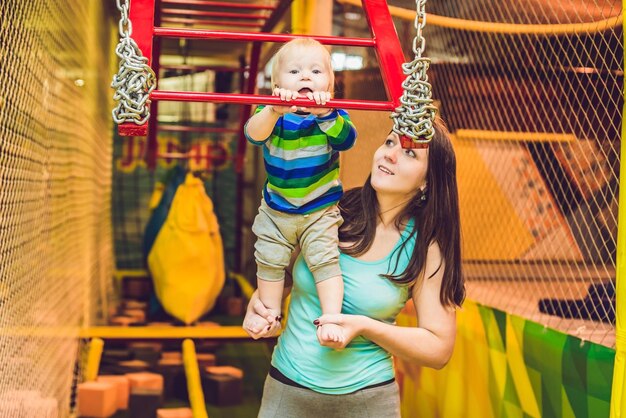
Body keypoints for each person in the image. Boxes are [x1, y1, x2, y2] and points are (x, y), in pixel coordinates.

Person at [243, 118, 465, 418]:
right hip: (288, 388)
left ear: (428, 180)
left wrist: (363, 326)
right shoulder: (331, 208)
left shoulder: (426, 246)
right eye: (389, 142)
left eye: (410, 153)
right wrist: (263, 306)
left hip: (368, 400)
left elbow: (438, 349)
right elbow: (284, 276)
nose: (390, 154)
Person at [245, 38, 358, 345]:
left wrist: (325, 115)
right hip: (276, 208)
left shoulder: (332, 115)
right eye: (294, 71)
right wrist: (273, 111)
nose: (306, 77)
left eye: (316, 71)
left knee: (325, 260)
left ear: (329, 86)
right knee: (269, 258)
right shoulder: (272, 116)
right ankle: (269, 314)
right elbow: (253, 135)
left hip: (320, 209)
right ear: (277, 85)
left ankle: (331, 318)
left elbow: (347, 140)